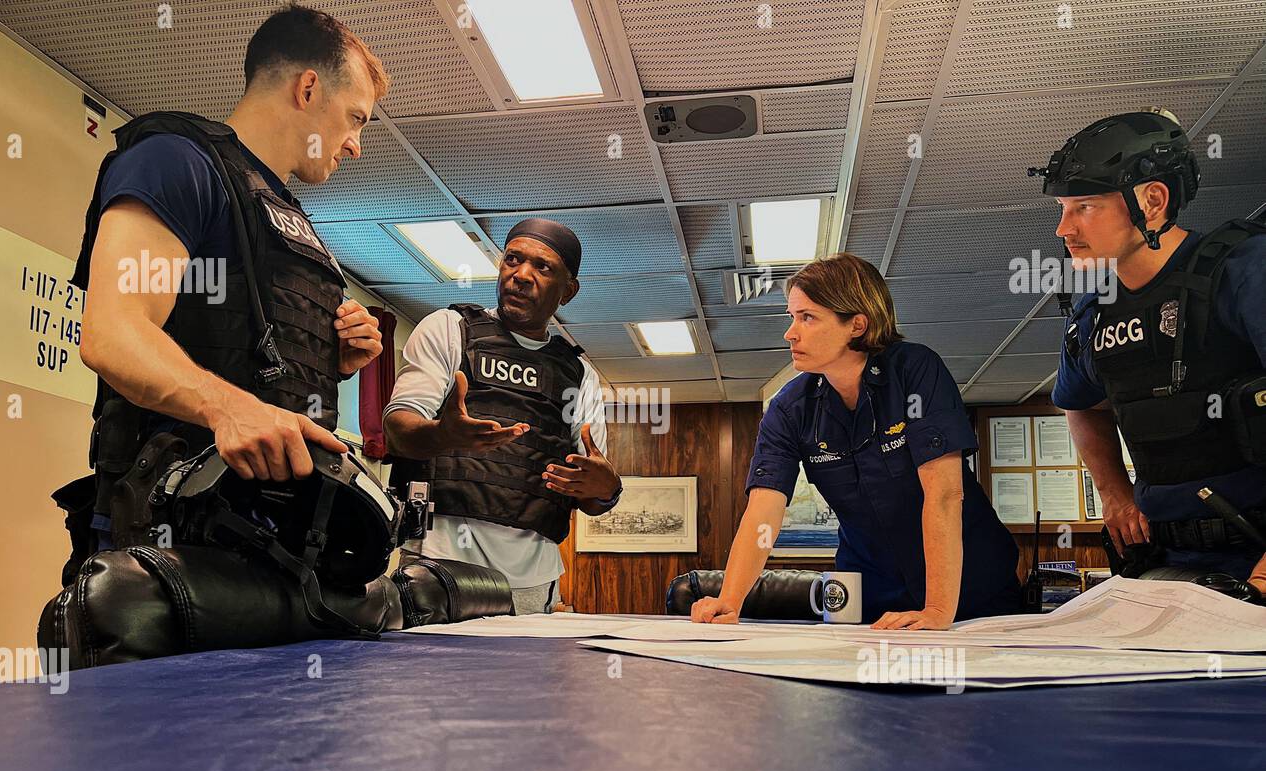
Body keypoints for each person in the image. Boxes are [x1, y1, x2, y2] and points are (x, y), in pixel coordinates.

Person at [59, 3, 390, 570]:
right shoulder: (176, 160)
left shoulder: (290, 218)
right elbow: (112, 333)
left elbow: (238, 339)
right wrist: (228, 407)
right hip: (168, 540)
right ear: (308, 88)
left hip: (272, 542)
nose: (357, 144)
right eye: (356, 118)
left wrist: (331, 356)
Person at [691, 254, 1022, 628]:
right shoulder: (790, 408)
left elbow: (945, 493)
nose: (790, 333)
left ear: (856, 324)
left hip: (970, 588)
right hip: (869, 589)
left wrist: (937, 611)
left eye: (807, 317)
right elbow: (763, 511)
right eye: (792, 317)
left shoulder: (914, 372)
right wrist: (730, 600)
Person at [1038, 108, 1266, 580]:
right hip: (1166, 564)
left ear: (1153, 200)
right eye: (1062, 210)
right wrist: (1115, 494)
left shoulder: (1243, 273)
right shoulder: (1092, 314)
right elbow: (1080, 406)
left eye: (1085, 206)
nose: (1064, 230)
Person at [383, 219, 621, 615]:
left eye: (542, 268)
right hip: (438, 568)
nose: (521, 276)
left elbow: (592, 492)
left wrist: (607, 489)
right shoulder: (449, 330)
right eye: (512, 260)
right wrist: (445, 435)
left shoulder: (580, 376)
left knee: (526, 680)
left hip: (532, 580)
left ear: (568, 291)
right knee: (426, 678)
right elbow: (398, 431)